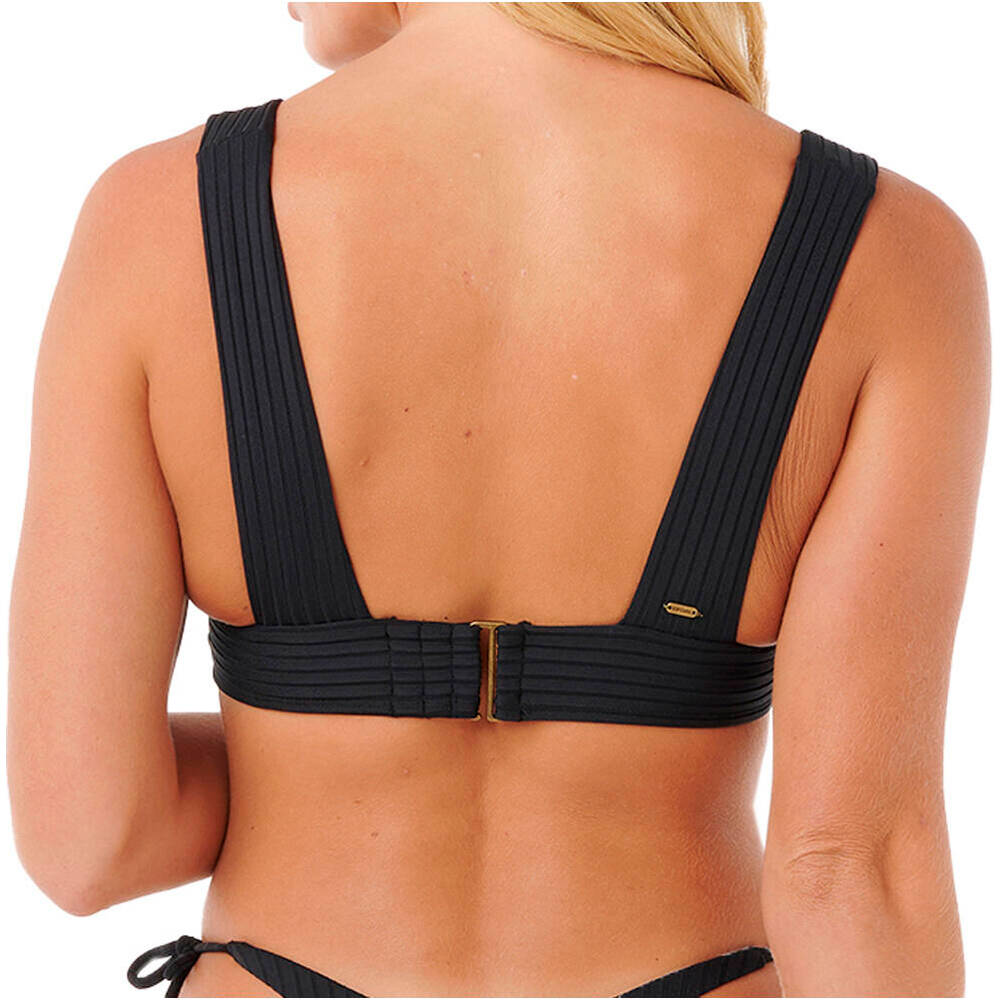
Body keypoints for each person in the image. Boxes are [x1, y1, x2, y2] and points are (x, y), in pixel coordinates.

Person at [7, 3, 987, 997]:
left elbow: (92, 837)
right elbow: (848, 873)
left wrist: (309, 757)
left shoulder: (157, 219)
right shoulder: (887, 250)